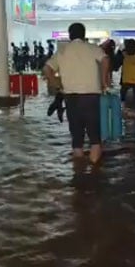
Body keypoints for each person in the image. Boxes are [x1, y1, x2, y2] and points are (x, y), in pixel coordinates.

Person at [43, 23, 111, 164]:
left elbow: (47, 70)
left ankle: (78, 173)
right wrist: (104, 81)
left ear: (70, 35)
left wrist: (57, 85)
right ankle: (94, 174)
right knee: (95, 139)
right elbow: (105, 60)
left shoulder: (62, 51)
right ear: (84, 34)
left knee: (77, 139)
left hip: (71, 97)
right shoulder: (93, 48)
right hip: (91, 96)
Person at [115, 39, 135, 114]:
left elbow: (116, 66)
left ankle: (123, 111)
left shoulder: (122, 54)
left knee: (123, 98)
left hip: (125, 80)